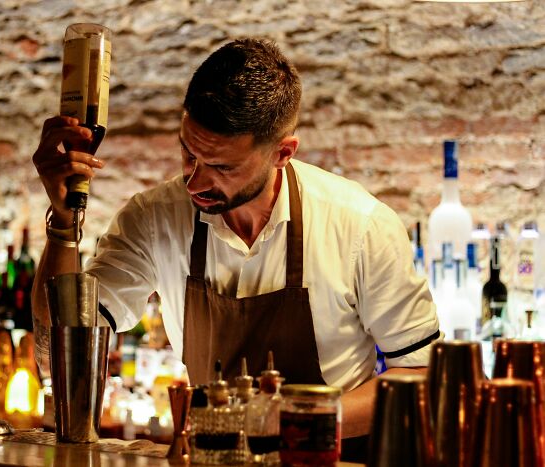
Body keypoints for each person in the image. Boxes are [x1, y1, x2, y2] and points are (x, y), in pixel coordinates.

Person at [31, 38, 439, 461]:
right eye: (188, 154)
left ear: (283, 153)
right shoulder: (154, 218)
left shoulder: (360, 225)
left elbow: (421, 375)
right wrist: (63, 224)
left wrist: (285, 418)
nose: (194, 182)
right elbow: (54, 353)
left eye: (222, 167)